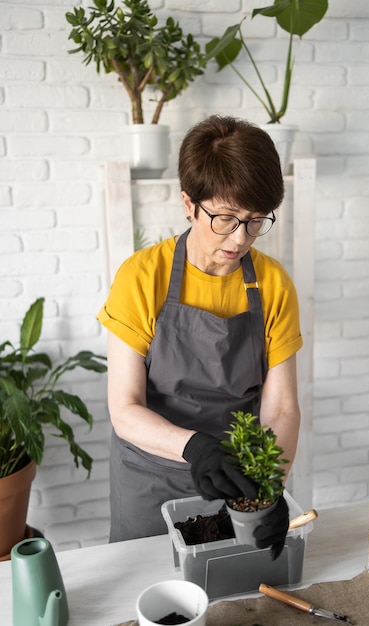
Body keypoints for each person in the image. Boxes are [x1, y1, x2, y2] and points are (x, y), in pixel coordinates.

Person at [97, 115, 303, 559]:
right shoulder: (141, 277)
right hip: (151, 477)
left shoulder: (274, 285)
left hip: (237, 479)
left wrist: (268, 489)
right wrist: (193, 446)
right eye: (225, 218)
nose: (240, 238)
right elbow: (124, 407)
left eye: (254, 221)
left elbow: (282, 408)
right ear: (189, 205)